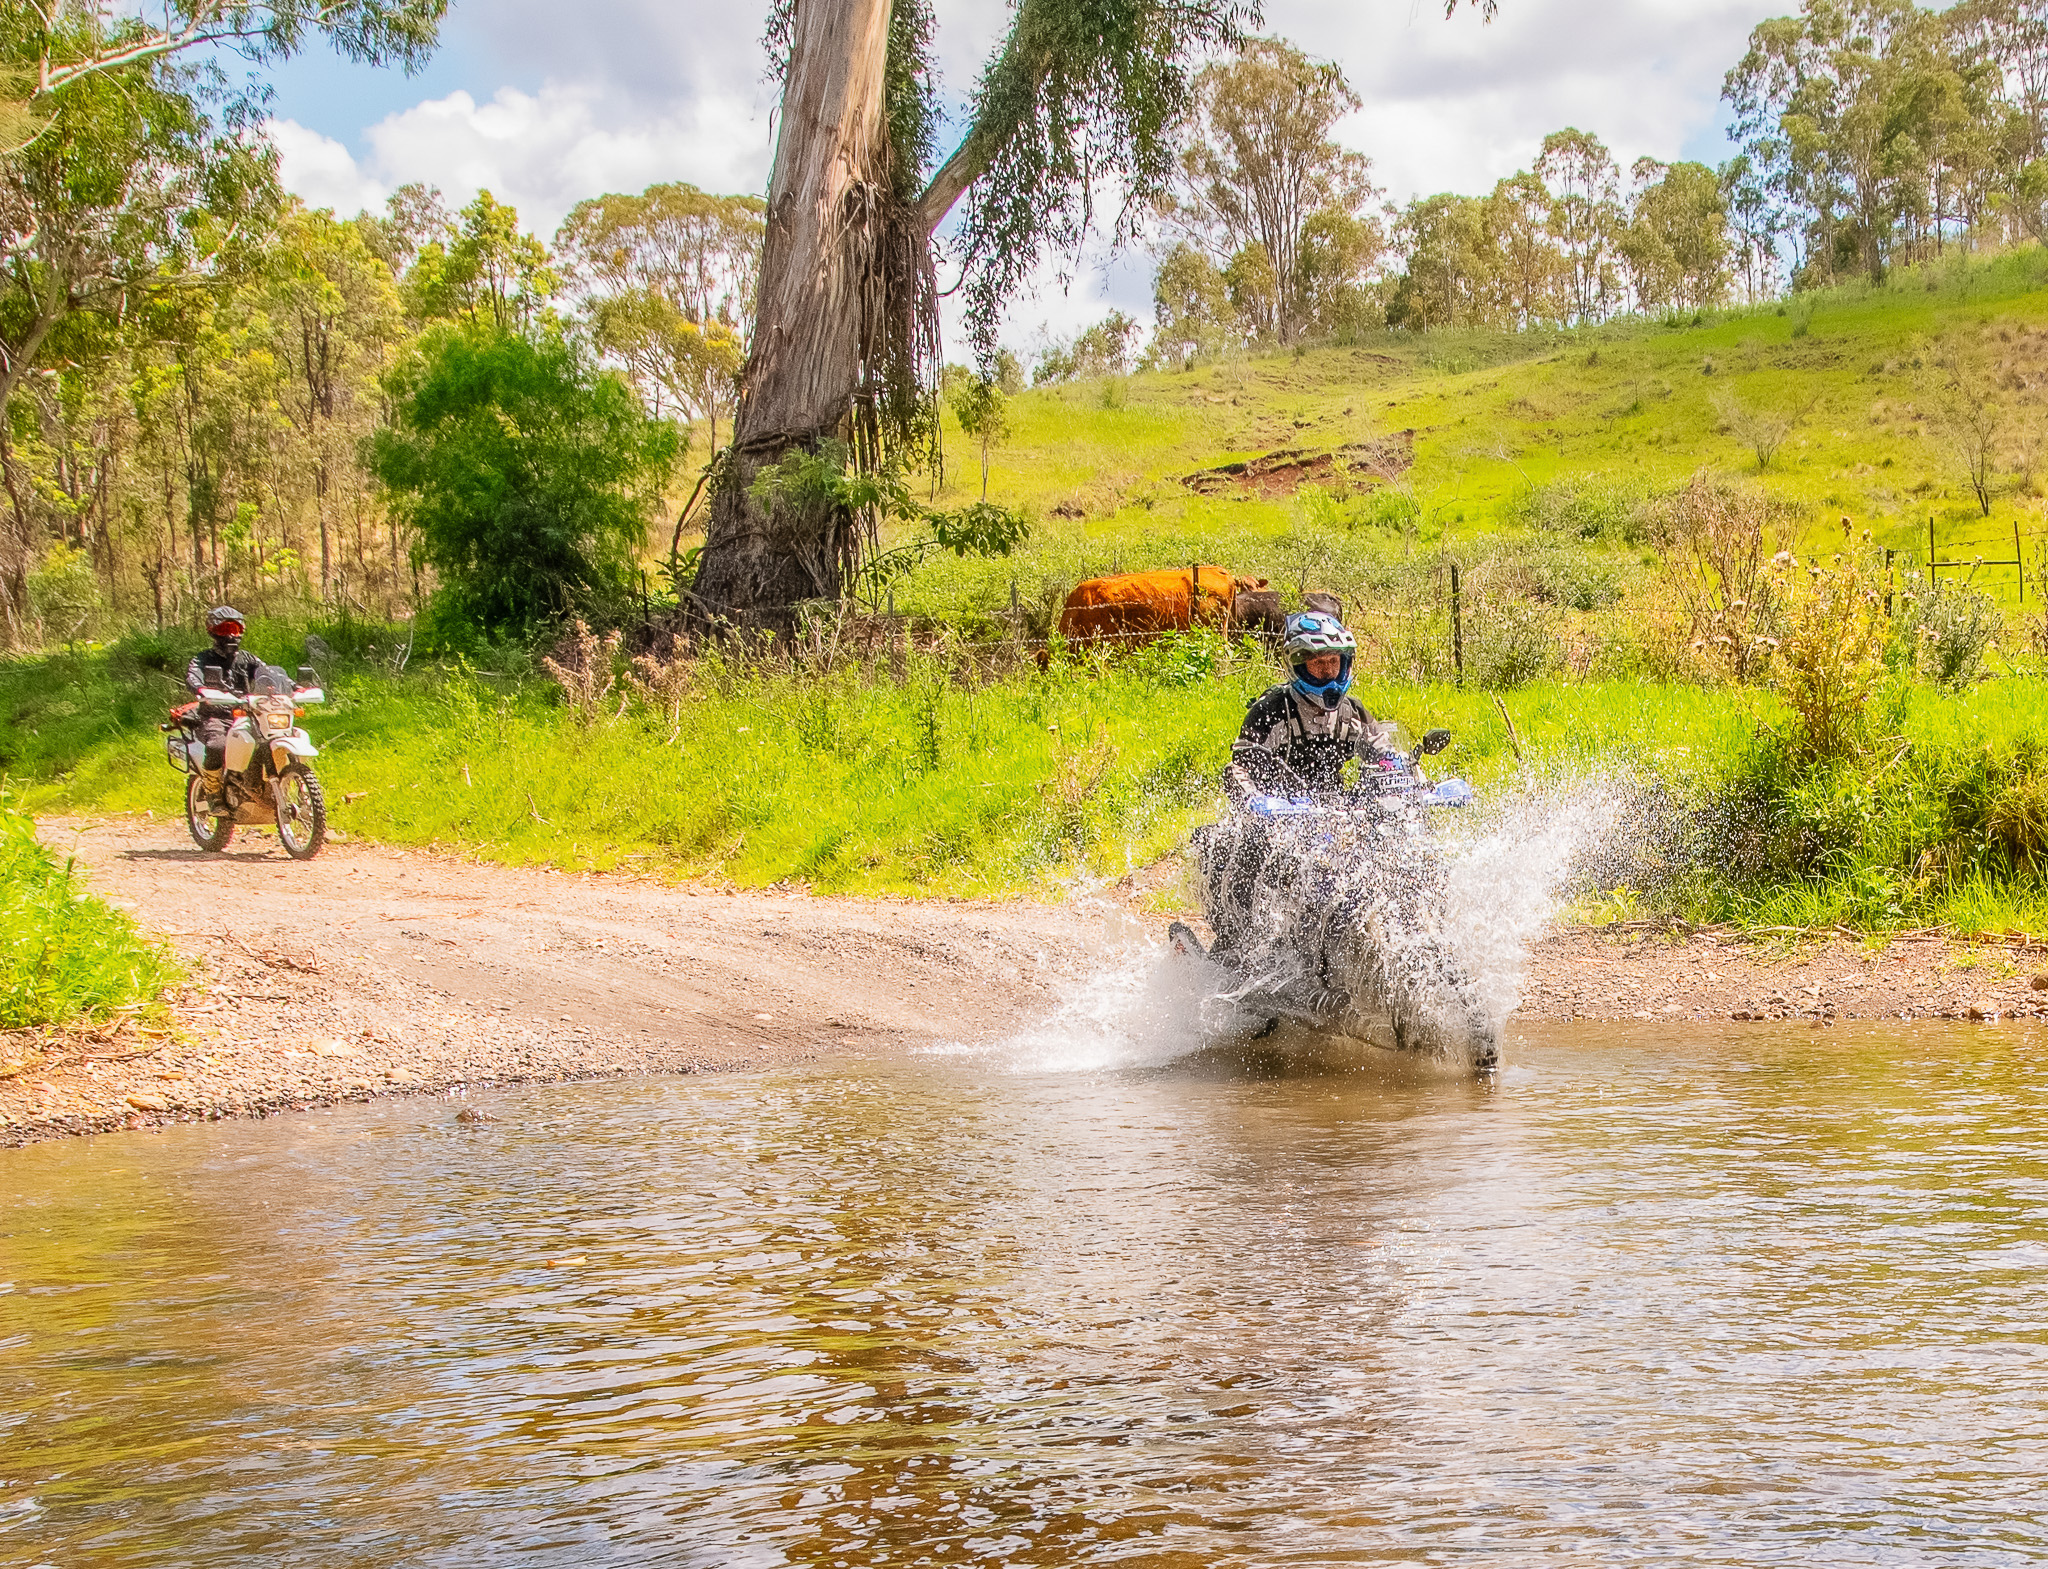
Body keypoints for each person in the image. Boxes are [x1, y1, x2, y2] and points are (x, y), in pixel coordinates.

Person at [1222, 611, 1390, 808]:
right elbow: (1238, 768)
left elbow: (1389, 757)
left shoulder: (1352, 711)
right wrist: (1254, 801)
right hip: (1279, 816)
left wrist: (1413, 781)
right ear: (1298, 665)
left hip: (1336, 811)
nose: (1328, 672)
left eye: (1334, 661)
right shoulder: (1270, 711)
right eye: (1318, 662)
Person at [185, 605, 263, 808]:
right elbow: (193, 677)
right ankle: (212, 790)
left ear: (242, 631)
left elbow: (268, 673)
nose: (230, 635)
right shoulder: (202, 659)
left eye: (235, 629)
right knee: (217, 745)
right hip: (214, 716)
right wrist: (201, 689)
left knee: (267, 739)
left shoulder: (248, 659)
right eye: (224, 629)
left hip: (247, 715)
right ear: (212, 631)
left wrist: (291, 686)